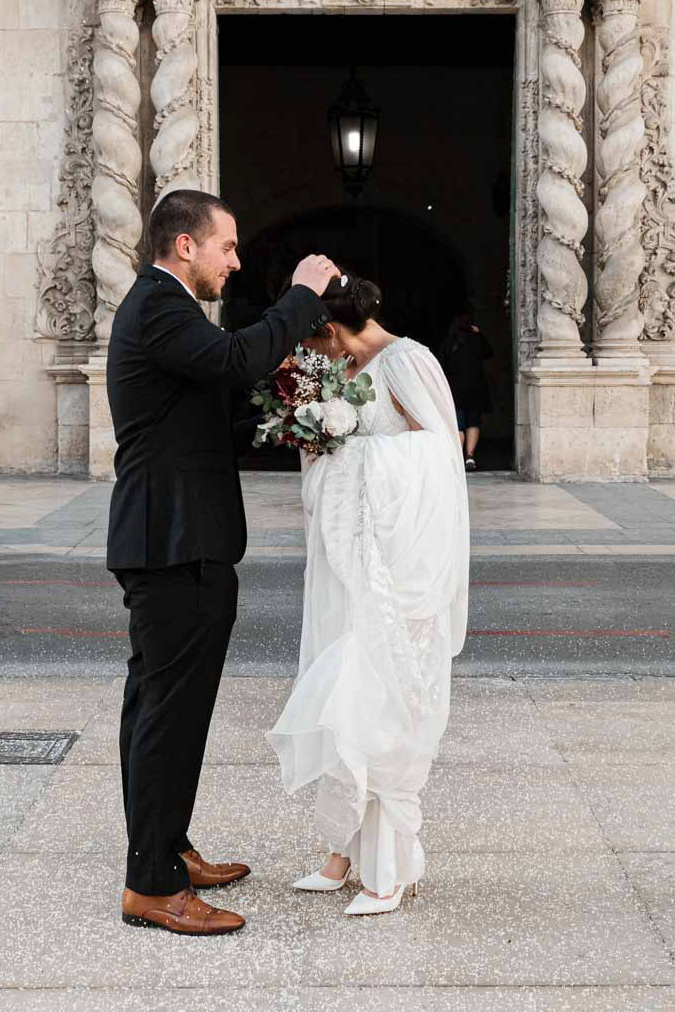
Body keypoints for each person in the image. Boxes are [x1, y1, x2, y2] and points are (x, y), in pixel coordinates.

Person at [106, 188, 340, 936]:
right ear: (186, 246)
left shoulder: (168, 310)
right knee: (167, 715)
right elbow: (237, 358)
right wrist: (302, 296)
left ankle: (167, 849)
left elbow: (218, 397)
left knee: (164, 709)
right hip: (174, 542)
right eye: (228, 246)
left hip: (180, 537)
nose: (234, 262)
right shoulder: (158, 306)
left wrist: (298, 409)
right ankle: (152, 885)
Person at [267, 275, 471, 917]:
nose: (311, 358)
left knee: (382, 698)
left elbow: (437, 457)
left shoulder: (408, 361)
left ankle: (388, 867)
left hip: (396, 566)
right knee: (344, 689)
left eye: (312, 345)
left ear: (330, 331)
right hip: (351, 558)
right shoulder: (341, 368)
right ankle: (344, 851)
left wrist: (350, 453)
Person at [438, 309, 492, 471]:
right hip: (475, 388)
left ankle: (457, 458)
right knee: (473, 422)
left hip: (455, 390)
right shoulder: (476, 339)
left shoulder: (449, 342)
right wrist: (479, 333)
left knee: (458, 425)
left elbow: (440, 364)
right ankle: (469, 456)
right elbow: (489, 353)